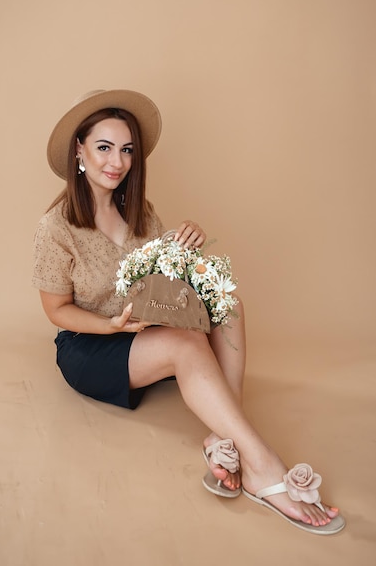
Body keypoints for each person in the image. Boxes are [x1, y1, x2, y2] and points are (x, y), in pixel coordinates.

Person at [32, 89, 345, 535]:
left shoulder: (142, 212)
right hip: (91, 346)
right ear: (79, 150)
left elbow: (162, 286)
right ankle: (261, 466)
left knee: (228, 303)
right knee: (185, 342)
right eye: (103, 147)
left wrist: (185, 246)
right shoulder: (56, 226)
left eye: (126, 150)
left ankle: (224, 441)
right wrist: (110, 324)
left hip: (145, 331)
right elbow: (56, 311)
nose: (116, 162)